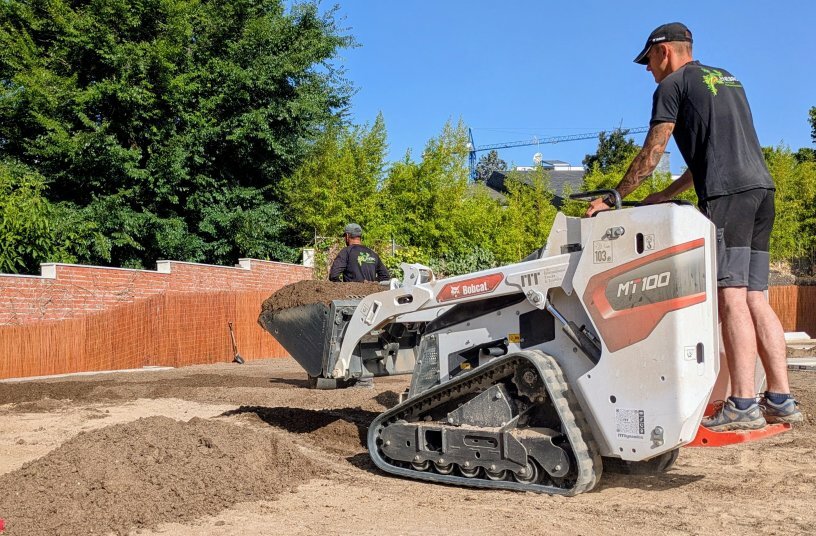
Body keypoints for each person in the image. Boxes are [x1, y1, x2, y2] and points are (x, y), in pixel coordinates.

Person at [585, 22, 802, 431]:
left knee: (731, 297)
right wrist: (664, 195)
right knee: (757, 298)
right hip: (761, 191)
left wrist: (612, 197)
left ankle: (741, 403)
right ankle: (781, 397)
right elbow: (706, 158)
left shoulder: (672, 85)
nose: (648, 70)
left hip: (729, 196)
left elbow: (654, 149)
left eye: (648, 61)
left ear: (664, 51)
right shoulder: (726, 78)